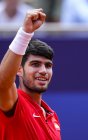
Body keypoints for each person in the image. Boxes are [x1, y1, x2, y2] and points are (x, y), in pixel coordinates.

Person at [0, 9, 61, 140]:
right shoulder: (14, 103)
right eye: (35, 64)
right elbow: (2, 82)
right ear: (19, 70)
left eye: (48, 65)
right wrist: (25, 33)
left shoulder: (52, 116)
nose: (44, 70)